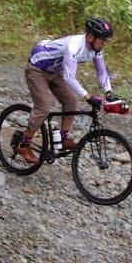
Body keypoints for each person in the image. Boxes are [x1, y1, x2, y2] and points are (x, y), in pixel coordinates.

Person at [17, 16, 120, 165]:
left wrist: (108, 92)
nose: (104, 43)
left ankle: (63, 138)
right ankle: (24, 144)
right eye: (102, 40)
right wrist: (87, 96)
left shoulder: (96, 50)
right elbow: (69, 77)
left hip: (55, 71)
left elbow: (102, 72)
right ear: (90, 37)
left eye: (106, 41)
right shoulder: (74, 46)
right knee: (44, 107)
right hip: (37, 69)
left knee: (71, 101)